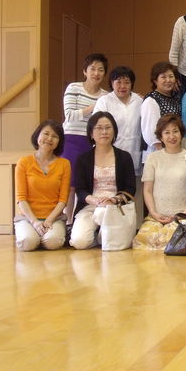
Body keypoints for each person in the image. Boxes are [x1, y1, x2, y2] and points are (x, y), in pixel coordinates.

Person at [69, 112, 136, 249]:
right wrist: (94, 200)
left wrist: (114, 200)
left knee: (102, 214)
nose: (104, 132)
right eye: (99, 128)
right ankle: (97, 237)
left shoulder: (124, 157)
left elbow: (130, 188)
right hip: (90, 204)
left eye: (108, 127)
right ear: (91, 133)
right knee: (79, 242)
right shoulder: (83, 159)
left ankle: (104, 237)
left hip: (115, 206)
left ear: (114, 131)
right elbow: (80, 190)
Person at [133, 115, 186, 250]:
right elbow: (147, 190)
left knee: (169, 242)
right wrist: (154, 213)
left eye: (175, 131)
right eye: (167, 132)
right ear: (160, 137)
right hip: (156, 217)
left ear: (181, 133)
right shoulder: (153, 158)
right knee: (143, 241)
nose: (172, 136)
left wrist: (183, 215)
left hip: (181, 217)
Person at [61, 53, 108, 224]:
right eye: (92, 69)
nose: (96, 73)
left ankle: (82, 222)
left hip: (92, 143)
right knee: (70, 185)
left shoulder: (105, 95)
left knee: (87, 184)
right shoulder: (74, 88)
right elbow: (69, 116)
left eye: (100, 70)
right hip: (71, 140)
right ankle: (67, 222)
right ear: (84, 71)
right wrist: (94, 106)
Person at [14, 120, 70, 251]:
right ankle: (35, 236)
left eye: (55, 136)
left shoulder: (64, 164)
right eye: (46, 134)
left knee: (53, 242)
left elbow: (63, 200)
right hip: (28, 218)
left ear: (59, 142)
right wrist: (34, 222)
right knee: (28, 242)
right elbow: (21, 198)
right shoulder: (24, 162)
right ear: (37, 135)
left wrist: (49, 221)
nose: (49, 139)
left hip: (54, 218)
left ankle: (42, 237)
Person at [93, 66, 143, 173]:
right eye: (118, 82)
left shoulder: (139, 101)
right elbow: (96, 128)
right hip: (110, 156)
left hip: (134, 155)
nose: (123, 86)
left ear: (132, 84)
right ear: (112, 83)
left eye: (127, 82)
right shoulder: (104, 101)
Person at [141, 62, 181, 164]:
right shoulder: (151, 100)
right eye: (163, 77)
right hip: (157, 154)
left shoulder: (174, 98)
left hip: (172, 150)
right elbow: (150, 131)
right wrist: (164, 153)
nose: (168, 80)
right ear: (155, 80)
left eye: (171, 76)